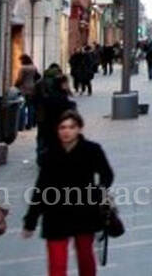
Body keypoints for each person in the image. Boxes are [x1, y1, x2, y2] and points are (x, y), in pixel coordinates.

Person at [23, 110, 114, 276]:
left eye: (71, 127)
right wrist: (31, 220)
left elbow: (107, 174)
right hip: (55, 213)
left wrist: (98, 191)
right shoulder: (50, 154)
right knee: (56, 264)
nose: (66, 131)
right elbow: (41, 188)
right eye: (62, 127)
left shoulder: (91, 150)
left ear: (79, 129)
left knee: (85, 257)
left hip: (84, 210)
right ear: (57, 130)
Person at [35, 66, 74, 166]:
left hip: (42, 116)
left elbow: (34, 98)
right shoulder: (61, 96)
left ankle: (41, 158)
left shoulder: (40, 82)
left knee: (42, 138)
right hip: (57, 122)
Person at [14, 54, 39, 130]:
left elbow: (20, 79)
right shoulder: (33, 67)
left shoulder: (23, 68)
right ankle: (30, 124)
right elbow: (37, 77)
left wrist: (15, 85)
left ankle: (21, 125)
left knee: (22, 106)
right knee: (31, 107)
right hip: (32, 89)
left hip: (23, 89)